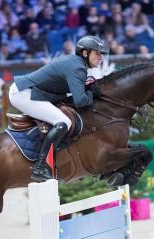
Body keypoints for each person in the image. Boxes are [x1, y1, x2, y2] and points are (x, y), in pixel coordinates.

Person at [9, 35, 107, 182]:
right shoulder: (78, 68)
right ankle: (40, 167)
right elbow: (80, 101)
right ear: (85, 53)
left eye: (101, 54)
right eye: (97, 53)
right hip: (23, 93)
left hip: (30, 91)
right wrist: (91, 94)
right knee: (64, 122)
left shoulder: (77, 64)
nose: (100, 57)